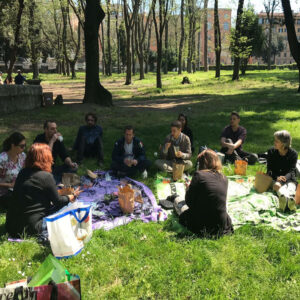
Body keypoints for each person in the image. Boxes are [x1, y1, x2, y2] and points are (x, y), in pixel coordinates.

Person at [6, 143, 81, 237]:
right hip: (31, 227)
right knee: (69, 208)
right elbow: (58, 201)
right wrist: (71, 196)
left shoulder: (22, 173)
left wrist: (65, 192)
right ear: (46, 158)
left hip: (11, 226)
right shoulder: (46, 176)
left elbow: (38, 193)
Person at [175, 149, 233, 237]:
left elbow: (189, 202)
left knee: (178, 201)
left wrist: (187, 189)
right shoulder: (224, 178)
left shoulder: (199, 175)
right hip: (220, 226)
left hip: (201, 225)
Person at [267, 130, 298, 212]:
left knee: (290, 187)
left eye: (277, 141)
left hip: (289, 178)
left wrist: (284, 178)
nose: (274, 143)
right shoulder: (271, 152)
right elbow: (269, 170)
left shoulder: (293, 154)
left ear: (284, 143)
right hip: (274, 177)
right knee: (278, 186)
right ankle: (286, 201)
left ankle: (288, 201)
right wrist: (278, 178)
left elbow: (292, 171)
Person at [0, 132, 26, 210]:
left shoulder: (22, 156)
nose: (24, 148)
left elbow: (24, 172)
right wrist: (10, 185)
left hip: (17, 188)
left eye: (25, 145)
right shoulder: (2, 159)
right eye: (21, 146)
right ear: (13, 145)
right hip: (4, 193)